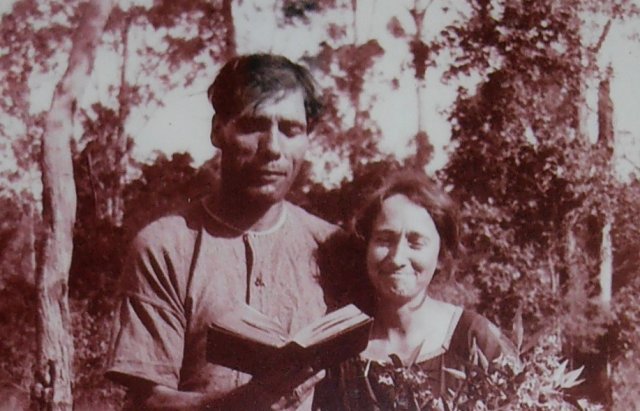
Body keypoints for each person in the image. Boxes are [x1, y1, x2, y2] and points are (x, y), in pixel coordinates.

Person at [106, 54, 339, 410]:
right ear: (218, 130)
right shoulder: (166, 248)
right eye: (253, 126)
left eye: (290, 130)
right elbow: (148, 402)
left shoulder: (333, 249)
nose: (272, 148)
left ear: (308, 138)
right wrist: (249, 401)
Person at [314, 171, 517, 410]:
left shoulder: (474, 340)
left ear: (441, 256)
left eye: (416, 242)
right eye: (384, 240)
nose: (397, 257)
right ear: (366, 247)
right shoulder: (341, 351)